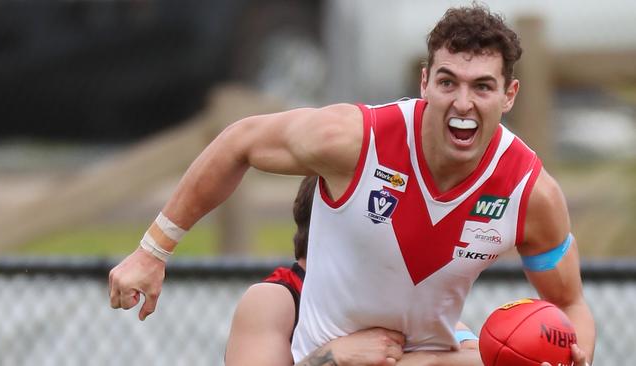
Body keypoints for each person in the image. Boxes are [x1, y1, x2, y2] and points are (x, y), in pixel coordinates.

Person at [109, 4, 595, 365]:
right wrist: (154, 250)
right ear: (425, 82)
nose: (462, 103)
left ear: (509, 94)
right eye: (448, 82)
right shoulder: (353, 140)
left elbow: (569, 302)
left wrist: (577, 355)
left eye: (482, 86)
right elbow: (240, 140)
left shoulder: (529, 191)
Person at [225, 176, 482, 366]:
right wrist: (336, 357)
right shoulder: (275, 299)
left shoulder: (403, 297)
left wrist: (423, 361)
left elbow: (481, 357)